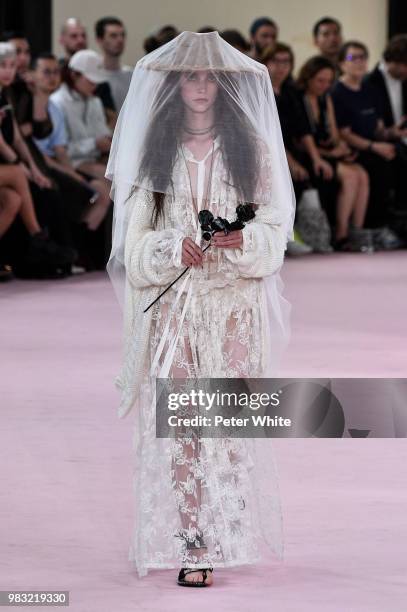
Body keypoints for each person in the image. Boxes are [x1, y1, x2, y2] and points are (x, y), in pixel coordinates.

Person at [105, 30, 295, 587]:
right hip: (175, 313)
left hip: (233, 306)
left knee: (227, 425)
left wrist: (245, 242)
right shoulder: (152, 154)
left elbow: (275, 231)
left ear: (227, 84)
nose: (201, 86)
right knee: (185, 428)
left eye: (211, 76)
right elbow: (131, 248)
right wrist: (170, 247)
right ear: (173, 85)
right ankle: (194, 544)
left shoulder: (253, 150)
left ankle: (226, 533)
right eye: (191, 75)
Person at [330, 41, 403, 248]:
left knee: (396, 158)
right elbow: (345, 134)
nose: (360, 62)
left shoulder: (371, 90)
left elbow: (378, 127)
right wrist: (374, 146)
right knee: (377, 167)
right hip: (353, 151)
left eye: (363, 57)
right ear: (342, 63)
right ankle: (359, 229)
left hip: (372, 144)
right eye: (354, 58)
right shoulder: (337, 92)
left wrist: (392, 132)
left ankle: (377, 227)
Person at [296, 55, 369, 249]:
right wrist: (330, 154)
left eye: (328, 81)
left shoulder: (325, 99)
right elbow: (300, 142)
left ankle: (357, 231)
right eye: (320, 80)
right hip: (307, 156)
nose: (324, 85)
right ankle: (341, 234)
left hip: (327, 153)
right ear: (308, 77)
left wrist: (341, 148)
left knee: (362, 174)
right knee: (351, 176)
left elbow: (334, 134)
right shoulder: (298, 98)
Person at [95, 17, 133, 120]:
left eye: (122, 35)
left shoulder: (132, 76)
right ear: (100, 40)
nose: (120, 40)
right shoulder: (93, 78)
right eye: (113, 36)